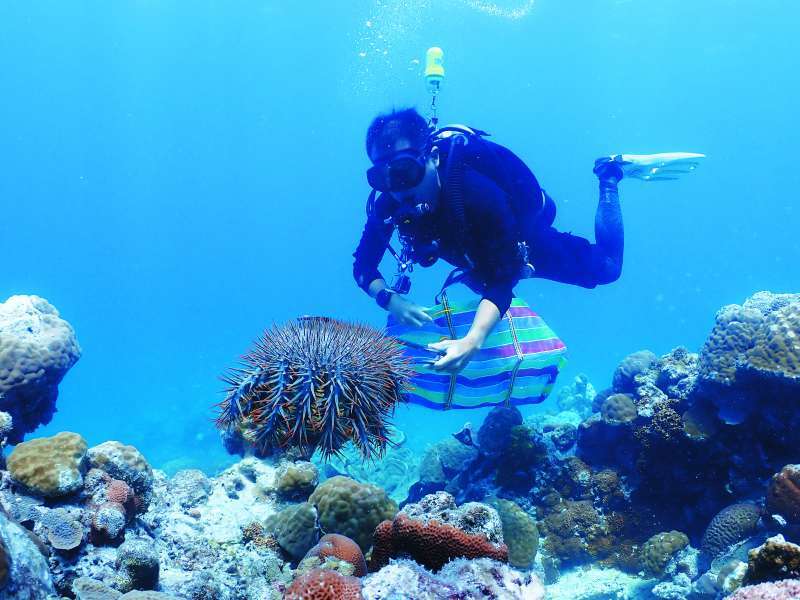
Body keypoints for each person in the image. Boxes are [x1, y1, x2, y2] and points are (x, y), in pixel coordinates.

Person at [352, 107, 626, 374]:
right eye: (382, 177)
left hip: (524, 238)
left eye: (405, 170)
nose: (398, 189)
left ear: (433, 157)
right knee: (483, 280)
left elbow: (502, 279)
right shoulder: (388, 204)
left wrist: (473, 340)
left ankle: (608, 177)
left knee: (609, 269)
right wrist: (391, 300)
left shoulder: (476, 194)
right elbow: (363, 266)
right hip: (476, 256)